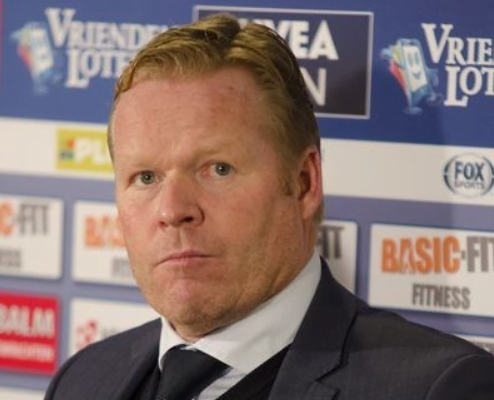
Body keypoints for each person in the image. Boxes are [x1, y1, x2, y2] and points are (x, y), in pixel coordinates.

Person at [45, 14, 494, 400]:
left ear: (304, 184)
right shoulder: (81, 381)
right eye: (145, 177)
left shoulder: (438, 388)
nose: (173, 209)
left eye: (217, 169)